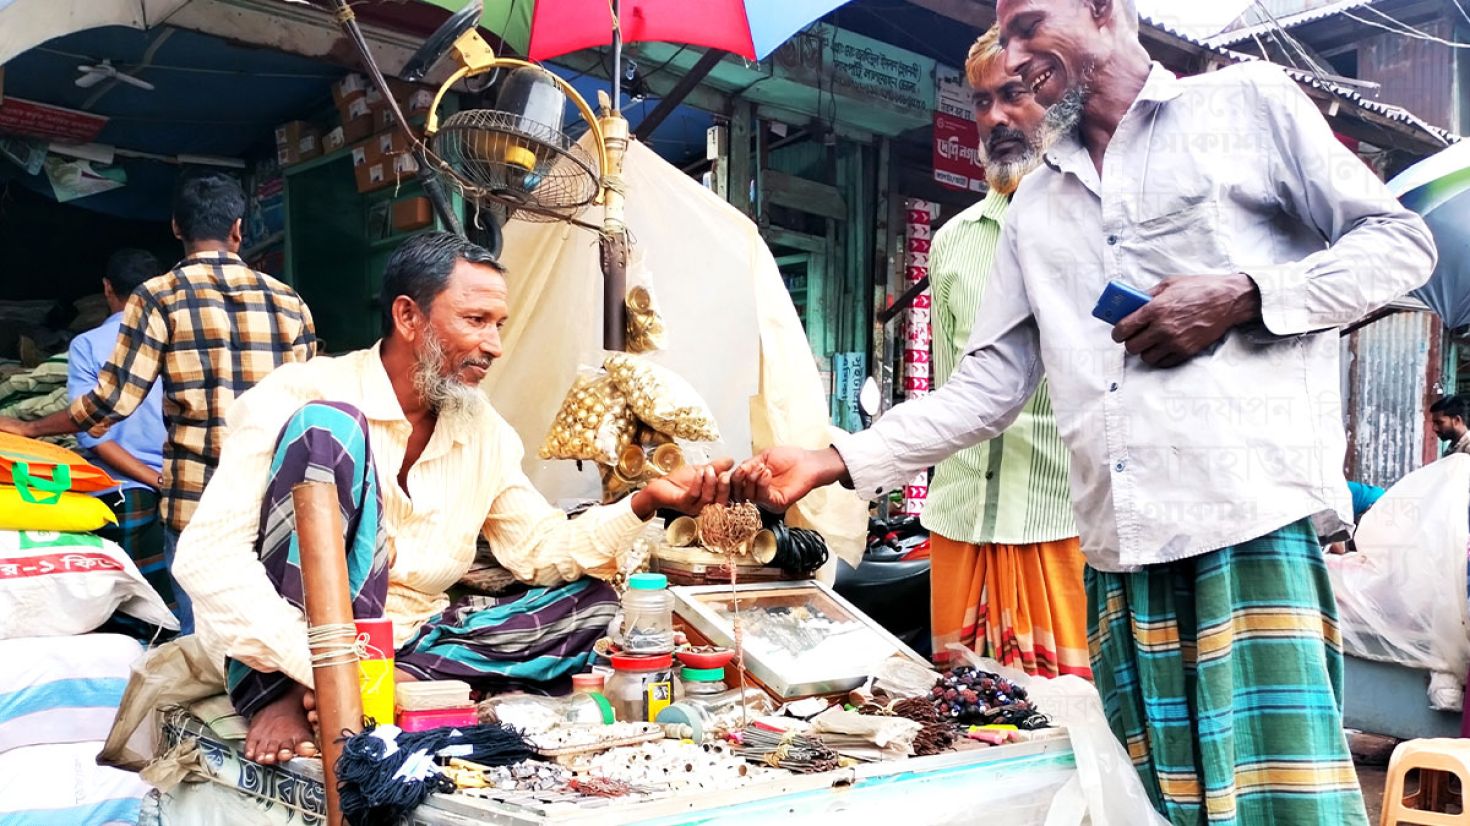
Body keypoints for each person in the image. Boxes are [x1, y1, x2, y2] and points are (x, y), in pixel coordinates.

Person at [731, 0, 1436, 822]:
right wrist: (831, 458)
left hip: (1246, 526)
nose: (1017, 51)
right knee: (1149, 806)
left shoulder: (1243, 103)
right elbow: (987, 384)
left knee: (1281, 807)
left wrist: (1244, 294)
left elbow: (1399, 244)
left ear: (1104, 8)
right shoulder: (1034, 207)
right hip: (1117, 554)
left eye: (1031, 22)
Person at [173, 232, 732, 767]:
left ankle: (406, 684)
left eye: (499, 324)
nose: (494, 345)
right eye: (475, 321)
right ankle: (290, 694)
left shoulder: (481, 427)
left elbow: (538, 549)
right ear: (408, 317)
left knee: (602, 605)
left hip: (408, 644)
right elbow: (206, 559)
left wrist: (647, 501)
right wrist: (324, 669)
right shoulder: (304, 393)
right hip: (298, 645)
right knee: (329, 431)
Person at [0, 171, 317, 634]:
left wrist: (27, 429)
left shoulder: (158, 296)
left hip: (195, 499)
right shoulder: (289, 303)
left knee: (201, 641)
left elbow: (111, 402)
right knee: (267, 637)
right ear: (238, 229)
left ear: (175, 228)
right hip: (271, 499)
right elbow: (307, 407)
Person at [924, 27, 1087, 679]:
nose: (995, 117)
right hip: (959, 520)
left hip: (1062, 523)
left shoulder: (1102, 228)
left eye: (1013, 95)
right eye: (981, 102)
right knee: (958, 726)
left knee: (1076, 734)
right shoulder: (954, 243)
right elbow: (948, 390)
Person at [66, 248, 172, 608]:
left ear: (107, 288)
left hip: (125, 496)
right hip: (188, 490)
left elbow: (91, 434)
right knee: (182, 609)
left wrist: (153, 481)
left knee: (127, 609)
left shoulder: (87, 345)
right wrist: (165, 480)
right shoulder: (178, 338)